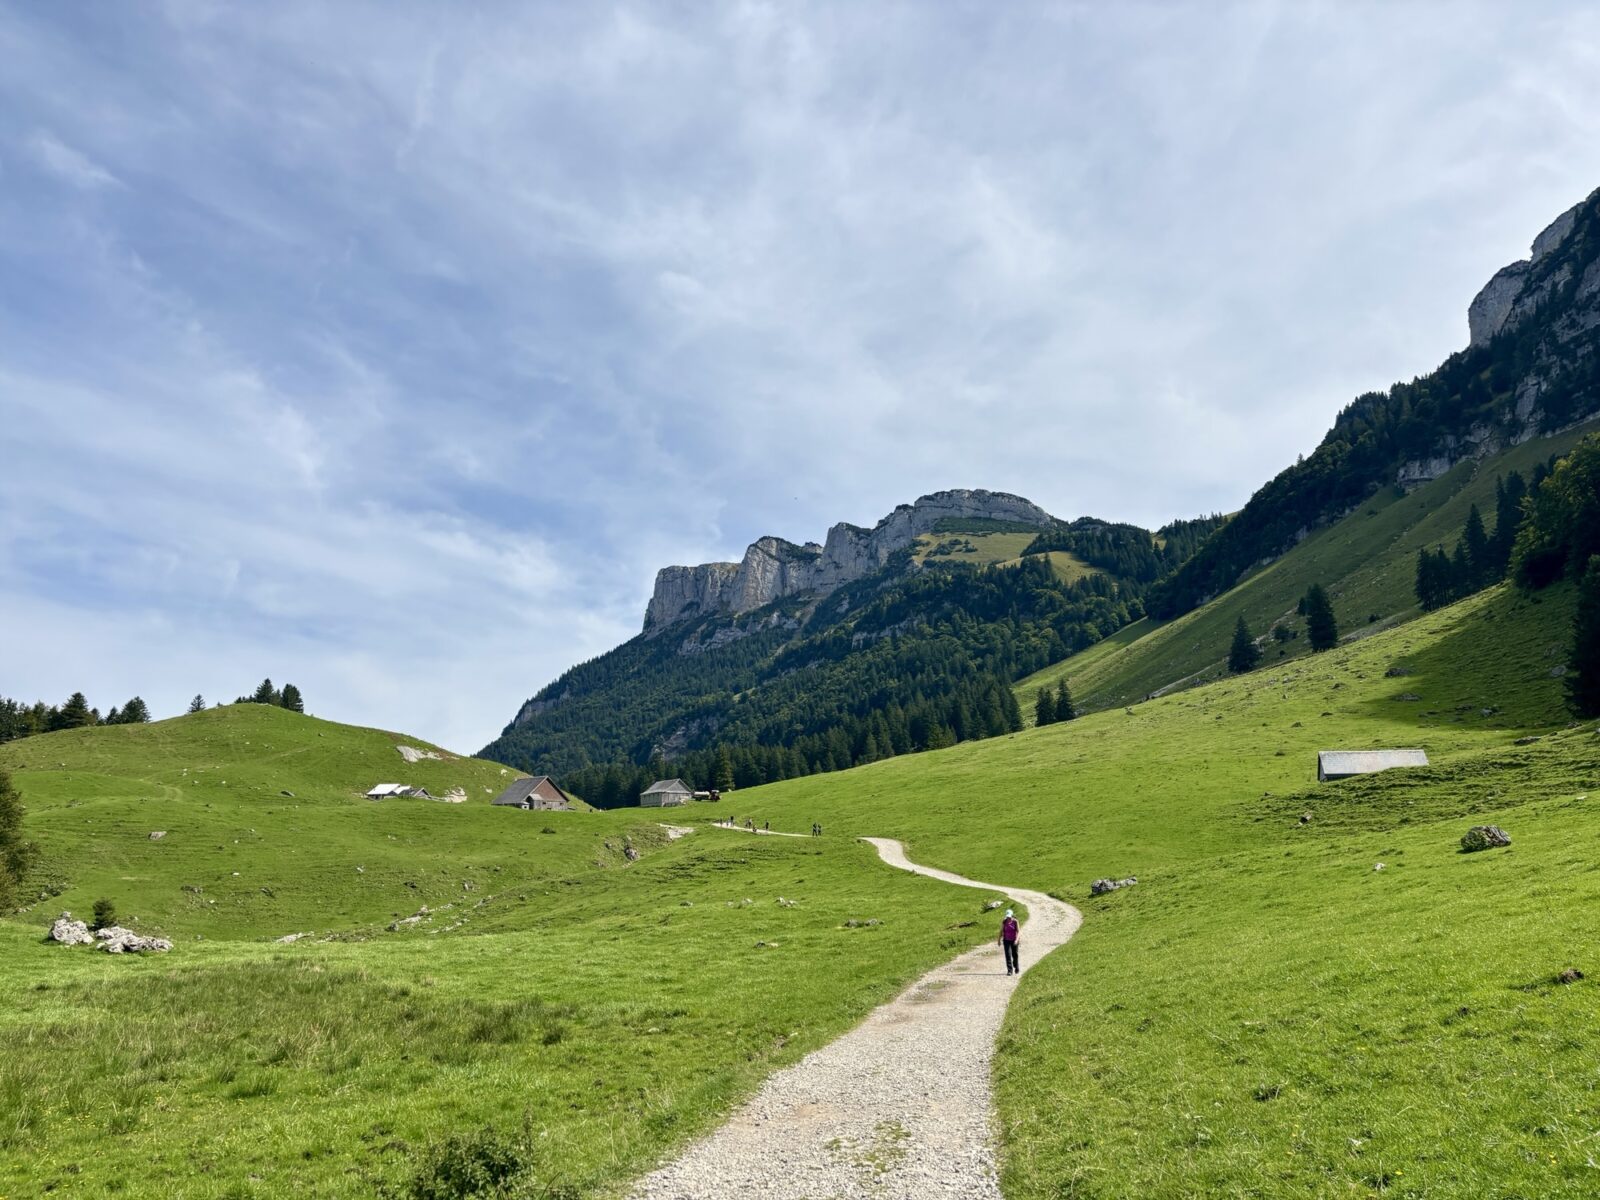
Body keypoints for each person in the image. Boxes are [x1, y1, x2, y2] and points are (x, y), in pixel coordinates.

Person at [999, 909, 1020, 976]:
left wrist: (1016, 940)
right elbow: (1001, 931)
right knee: (1008, 955)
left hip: (1014, 940)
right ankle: (1010, 971)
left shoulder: (1015, 921)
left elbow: (1018, 932)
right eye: (1007, 917)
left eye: (1010, 917)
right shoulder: (1004, 921)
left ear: (1012, 915)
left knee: (1015, 955)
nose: (1008, 918)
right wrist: (999, 940)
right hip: (1006, 940)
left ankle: (1016, 966)